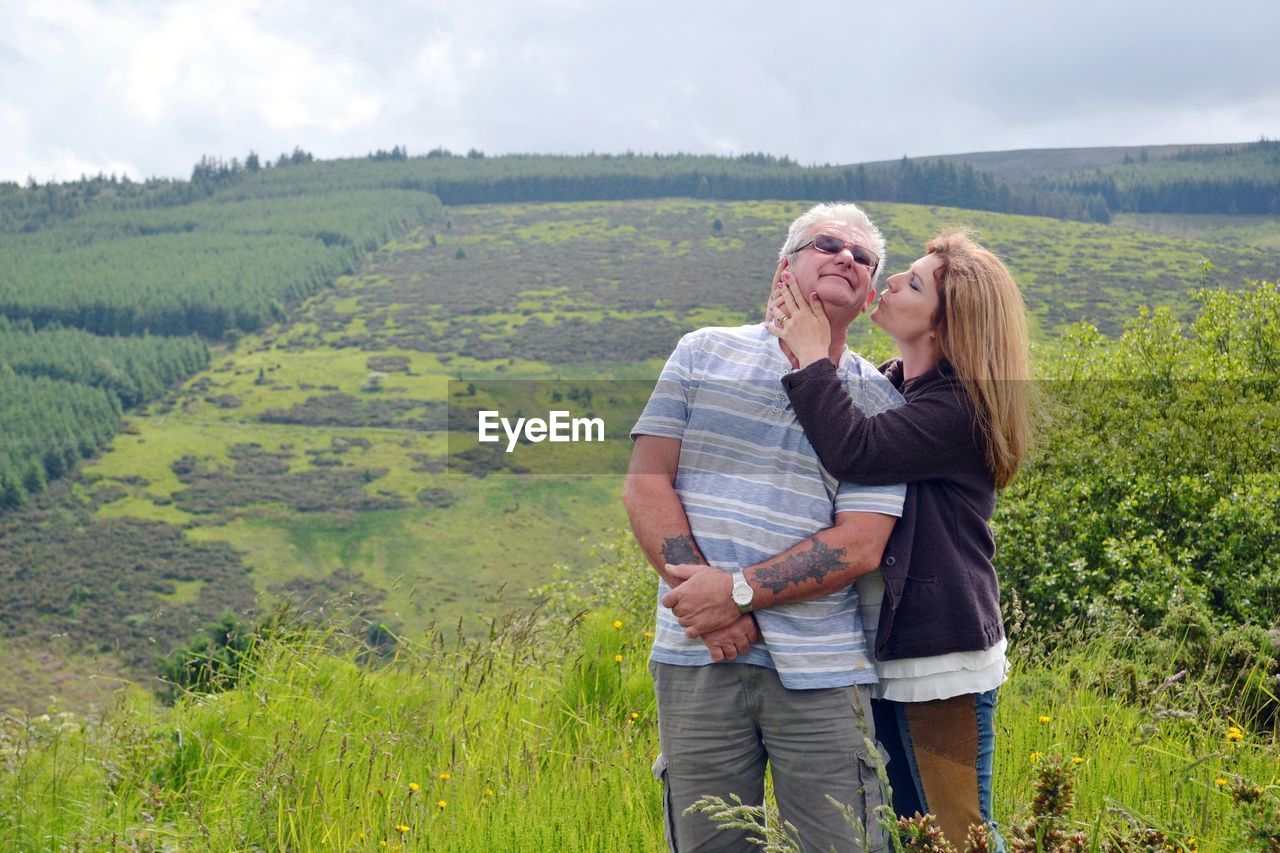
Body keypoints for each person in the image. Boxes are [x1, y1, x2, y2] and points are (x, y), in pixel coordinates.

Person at [669, 231, 1032, 849]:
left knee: (954, 832)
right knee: (905, 831)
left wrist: (811, 357)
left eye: (912, 283)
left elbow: (855, 449)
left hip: (938, 659)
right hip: (888, 656)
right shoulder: (899, 385)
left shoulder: (956, 409)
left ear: (946, 325)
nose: (889, 281)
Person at [623, 202, 908, 852]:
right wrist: (710, 604)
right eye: (826, 244)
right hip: (697, 654)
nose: (846, 257)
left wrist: (740, 592)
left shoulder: (879, 403)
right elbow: (645, 482)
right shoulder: (703, 352)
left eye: (862, 258)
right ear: (785, 268)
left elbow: (862, 541)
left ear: (867, 298)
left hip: (824, 671)